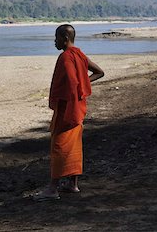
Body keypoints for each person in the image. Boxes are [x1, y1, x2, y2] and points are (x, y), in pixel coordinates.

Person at [33, 24, 104, 202]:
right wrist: (83, 86)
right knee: (74, 146)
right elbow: (99, 72)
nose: (54, 41)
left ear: (65, 38)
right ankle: (73, 184)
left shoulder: (65, 57)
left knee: (59, 147)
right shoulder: (79, 54)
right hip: (77, 108)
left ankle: (52, 188)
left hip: (67, 110)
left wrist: (77, 89)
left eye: (56, 37)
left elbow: (72, 84)